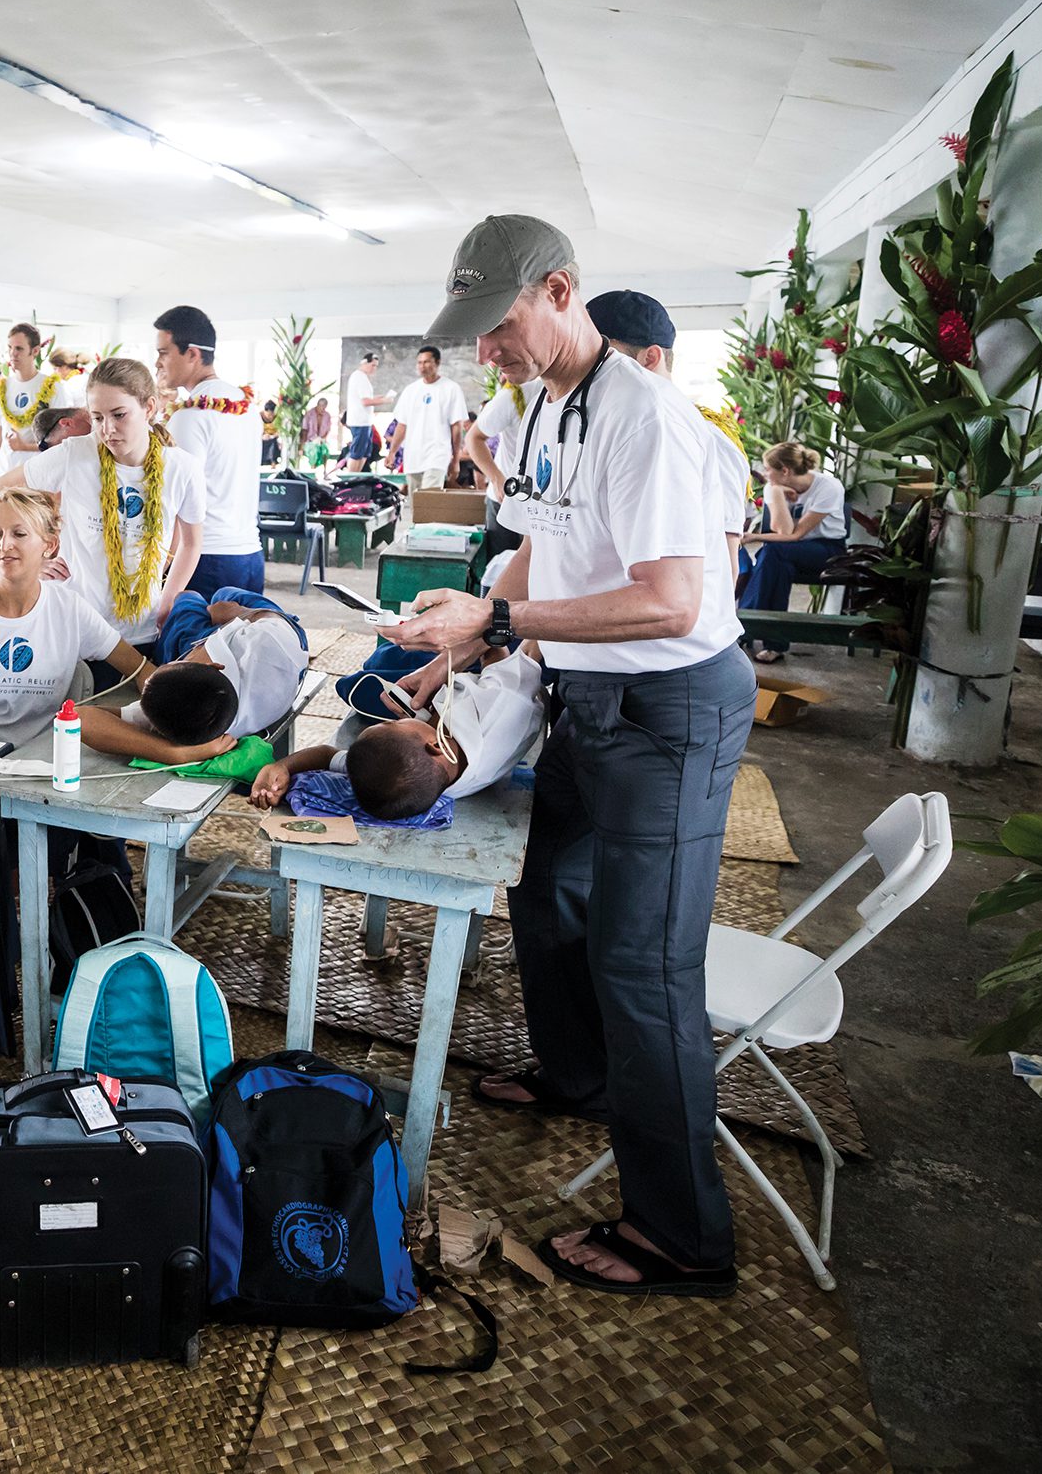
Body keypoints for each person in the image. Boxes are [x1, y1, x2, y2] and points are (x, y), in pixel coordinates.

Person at [383, 213, 751, 1301]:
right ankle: (582, 1076)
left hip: (667, 707)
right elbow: (541, 544)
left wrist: (499, 630)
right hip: (592, 696)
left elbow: (668, 598)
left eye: (494, 329)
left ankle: (684, 1234)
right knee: (549, 898)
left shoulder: (644, 417)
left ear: (557, 292)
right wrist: (465, 636)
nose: (482, 353)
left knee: (646, 969)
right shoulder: (543, 404)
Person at [0, 356, 203, 663]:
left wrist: (169, 598)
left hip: (142, 629)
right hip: (75, 626)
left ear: (149, 408)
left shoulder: (182, 468)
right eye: (97, 418)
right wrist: (31, 563)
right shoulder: (75, 454)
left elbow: (191, 542)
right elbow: (2, 490)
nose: (107, 430)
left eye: (119, 415)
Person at [0, 488, 151, 748]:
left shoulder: (69, 610)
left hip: (43, 759)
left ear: (49, 545)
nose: (4, 545)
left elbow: (141, 670)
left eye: (19, 534)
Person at [250, 644, 546, 820]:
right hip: (506, 667)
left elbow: (328, 756)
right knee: (391, 660)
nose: (395, 719)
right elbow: (516, 650)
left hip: (447, 700)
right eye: (393, 724)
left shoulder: (414, 773)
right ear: (433, 745)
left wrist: (281, 765)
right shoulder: (502, 706)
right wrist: (474, 642)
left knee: (376, 672)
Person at [592, 290, 751, 560]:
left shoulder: (706, 437)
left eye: (603, 357)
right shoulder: (612, 427)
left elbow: (724, 559)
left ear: (650, 358)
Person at [79, 589, 309, 767]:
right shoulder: (268, 641)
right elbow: (271, 617)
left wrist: (173, 753)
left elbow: (78, 718)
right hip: (283, 640)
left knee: (187, 602)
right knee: (222, 596)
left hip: (232, 644)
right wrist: (239, 613)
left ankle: (193, 604)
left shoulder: (181, 715)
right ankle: (204, 605)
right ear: (215, 665)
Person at [152, 304, 262, 594]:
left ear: (192, 354)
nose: (158, 363)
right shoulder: (244, 404)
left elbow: (177, 501)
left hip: (205, 557)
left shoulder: (189, 415)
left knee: (194, 641)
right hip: (249, 554)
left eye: (164, 352)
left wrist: (162, 572)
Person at [740, 442, 848, 662]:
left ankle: (744, 626)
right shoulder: (773, 487)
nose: (765, 474)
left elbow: (794, 535)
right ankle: (774, 644)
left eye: (768, 469)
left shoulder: (829, 487)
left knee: (773, 553)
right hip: (787, 550)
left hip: (827, 550)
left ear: (785, 471)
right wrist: (777, 492)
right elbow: (784, 530)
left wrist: (755, 537)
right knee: (778, 564)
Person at [0, 323, 65, 482]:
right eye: (10, 348)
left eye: (19, 349)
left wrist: (25, 447)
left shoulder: (53, 387)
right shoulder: (2, 387)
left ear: (35, 351)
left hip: (40, 479)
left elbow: (62, 441)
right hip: (5, 476)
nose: (13, 354)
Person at [388, 345, 470, 489]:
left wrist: (455, 460)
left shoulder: (451, 388)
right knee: (415, 506)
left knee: (428, 502)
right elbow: (402, 425)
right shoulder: (410, 391)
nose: (422, 366)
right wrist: (392, 452)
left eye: (426, 362)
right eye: (419, 362)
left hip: (437, 456)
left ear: (437, 363)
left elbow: (456, 427)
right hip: (413, 457)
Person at [341, 352, 392, 471]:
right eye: (373, 365)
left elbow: (366, 399)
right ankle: (350, 480)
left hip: (365, 422)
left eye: (376, 366)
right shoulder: (359, 377)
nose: (374, 368)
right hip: (360, 422)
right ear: (364, 363)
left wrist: (378, 398)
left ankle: (357, 476)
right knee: (357, 452)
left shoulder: (362, 377)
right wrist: (384, 401)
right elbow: (365, 402)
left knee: (365, 452)